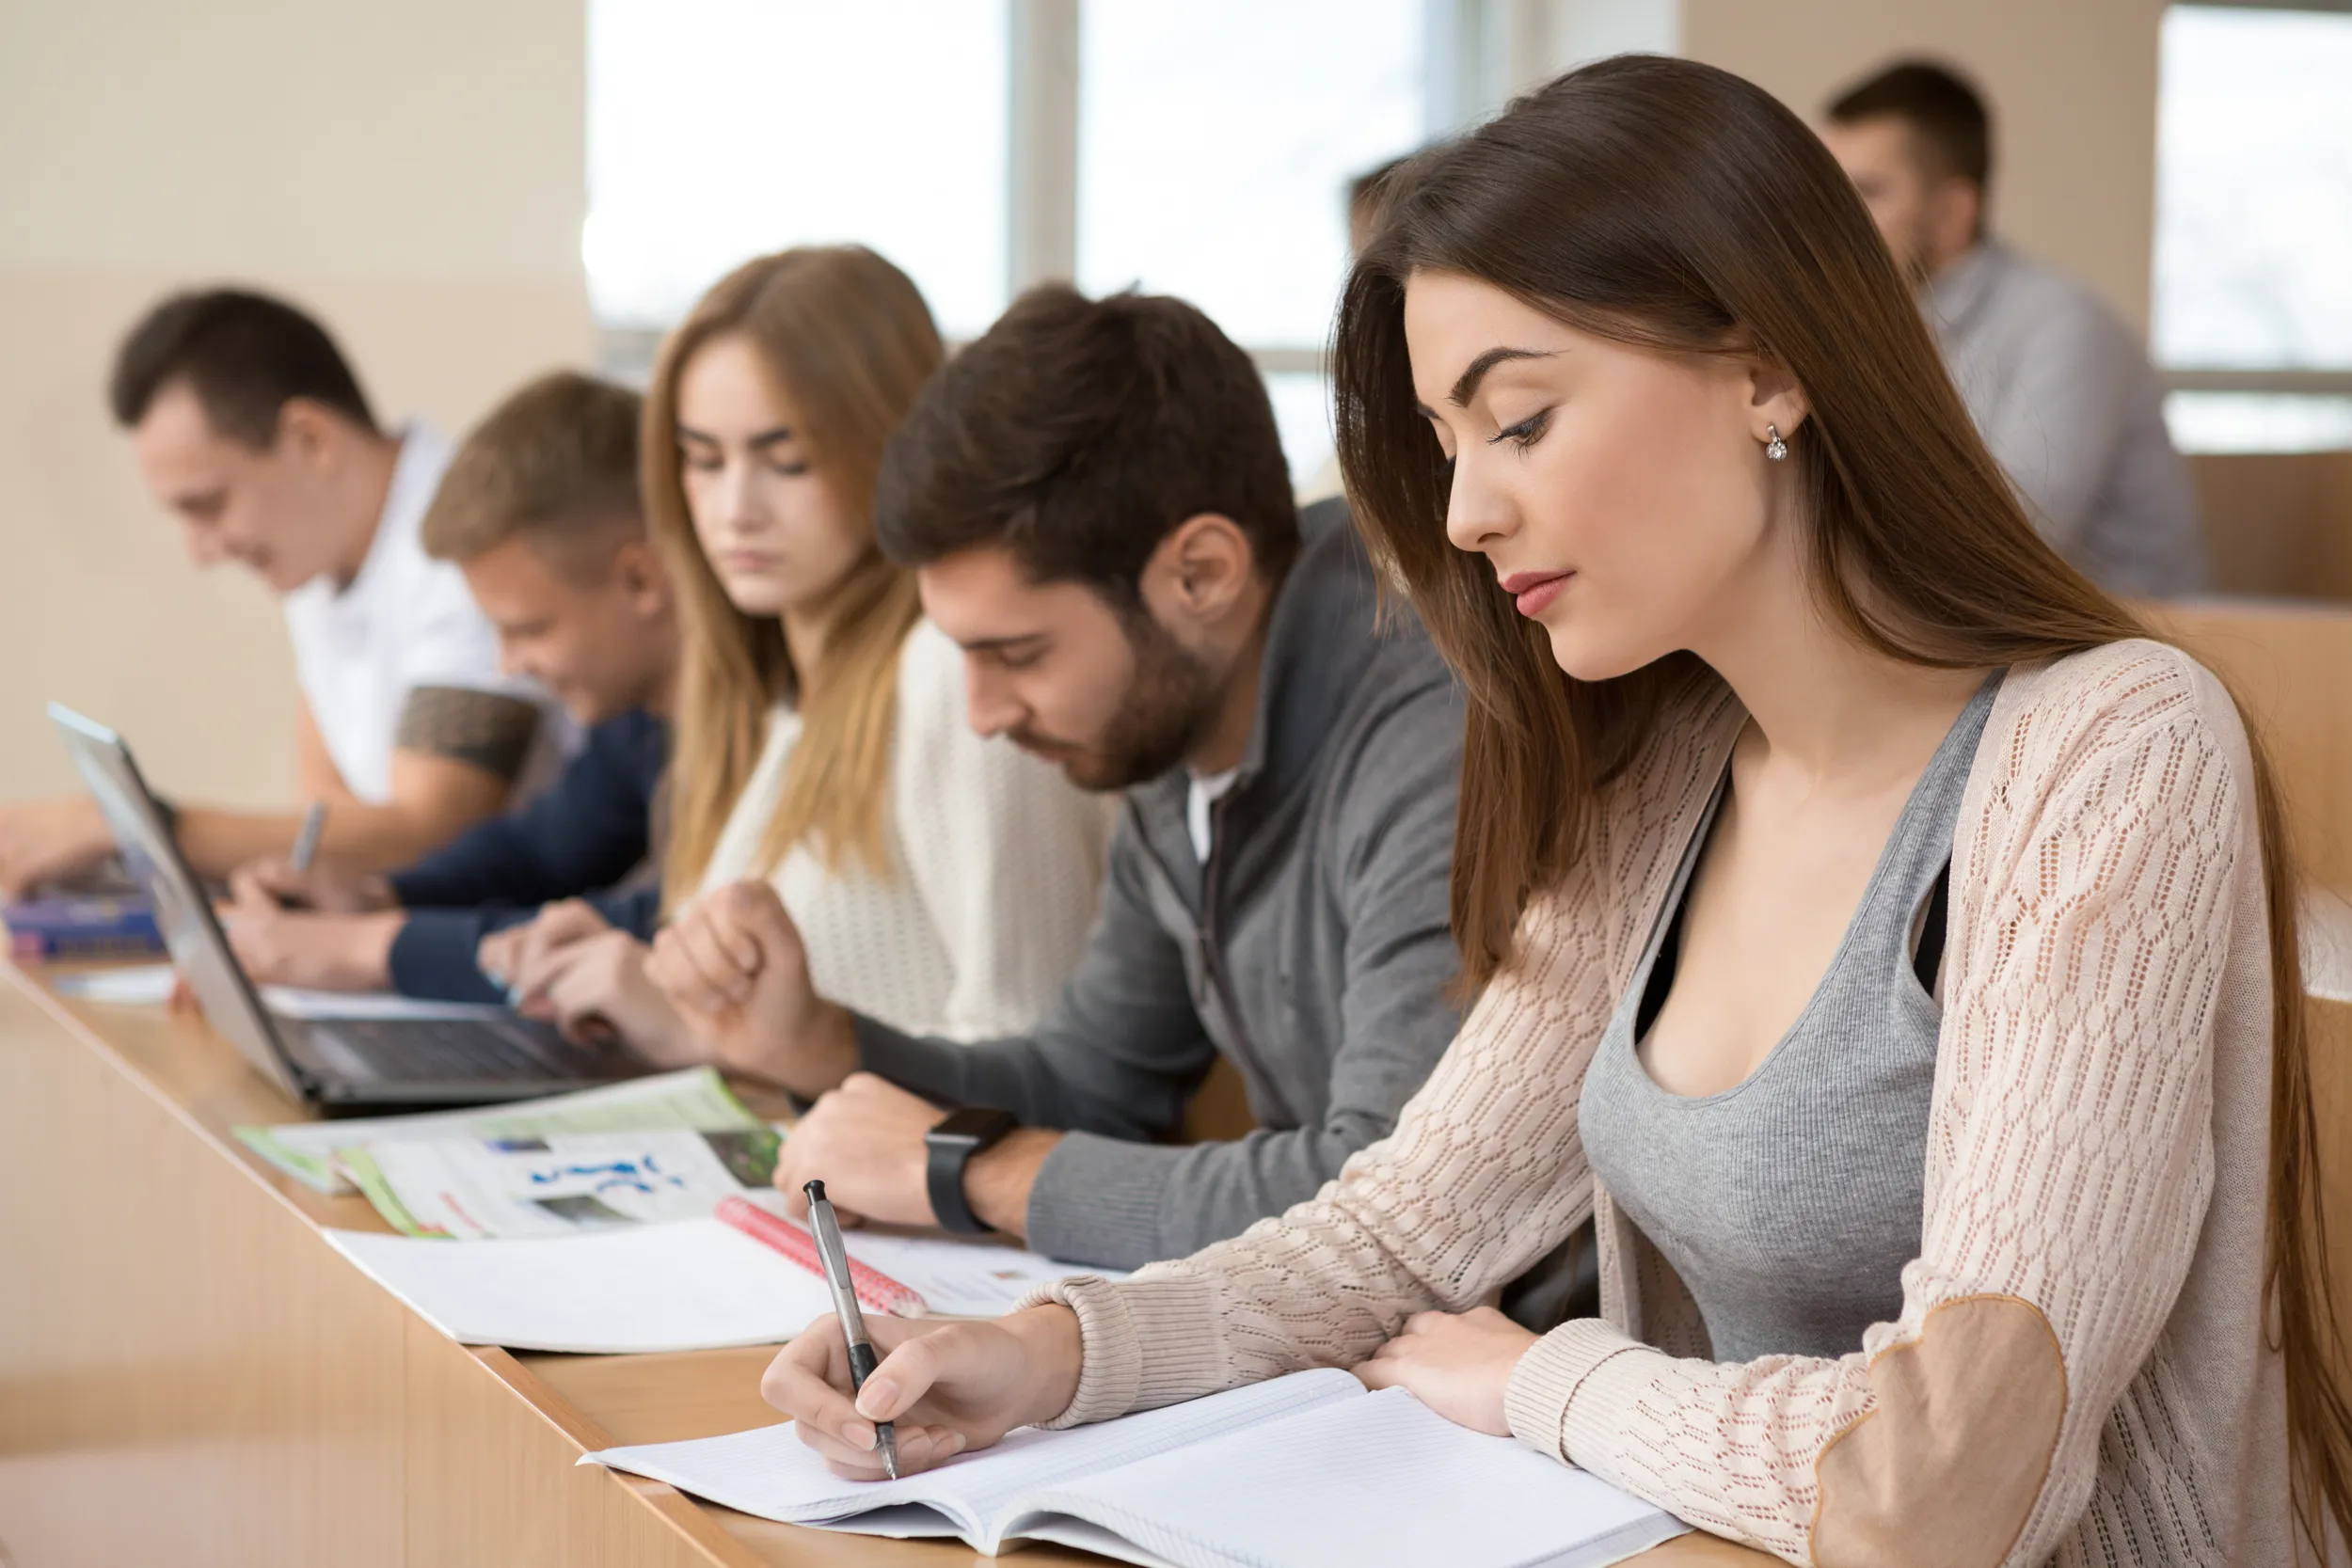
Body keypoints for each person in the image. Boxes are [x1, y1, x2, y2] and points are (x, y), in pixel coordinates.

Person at [754, 56, 2352, 1564]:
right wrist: (1040, 1355)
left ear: (1771, 367)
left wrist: (1546, 1383)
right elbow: (1391, 1239)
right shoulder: (1667, 776)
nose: (1465, 510)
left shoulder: (2115, 749)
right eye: (1448, 445)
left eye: (1519, 419)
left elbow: (1940, 1479)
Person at [644, 284, 1470, 1274]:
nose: (983, 715)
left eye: (1019, 653)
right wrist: (819, 1042)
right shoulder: (1177, 720)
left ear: (1200, 574)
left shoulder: (1432, 722)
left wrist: (980, 1173)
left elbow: (1386, 1187)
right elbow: (1086, 1080)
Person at [499, 246, 1108, 1062]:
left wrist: (691, 1028)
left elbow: (1042, 1061)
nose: (734, 510)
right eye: (704, 459)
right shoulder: (782, 693)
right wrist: (651, 982)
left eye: (786, 460)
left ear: (891, 448)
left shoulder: (949, 676)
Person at [0, 289, 568, 896]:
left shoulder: (461, 548)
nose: (200, 550)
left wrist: (136, 824)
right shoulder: (319, 558)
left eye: (208, 505)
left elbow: (431, 828)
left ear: (310, 439)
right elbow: (324, 811)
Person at [219, 371, 676, 1003]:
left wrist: (369, 947)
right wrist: (380, 898)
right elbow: (539, 852)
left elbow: (669, 932)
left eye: (529, 628)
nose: (508, 665)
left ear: (642, 582)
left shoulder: (767, 715)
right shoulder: (640, 723)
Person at [1820, 59, 2206, 599]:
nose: (1839, 221)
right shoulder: (1882, 325)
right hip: (1981, 646)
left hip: (2122, 657)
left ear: (1953, 211)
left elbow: (2006, 544)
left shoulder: (2064, 327)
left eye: (1867, 191)